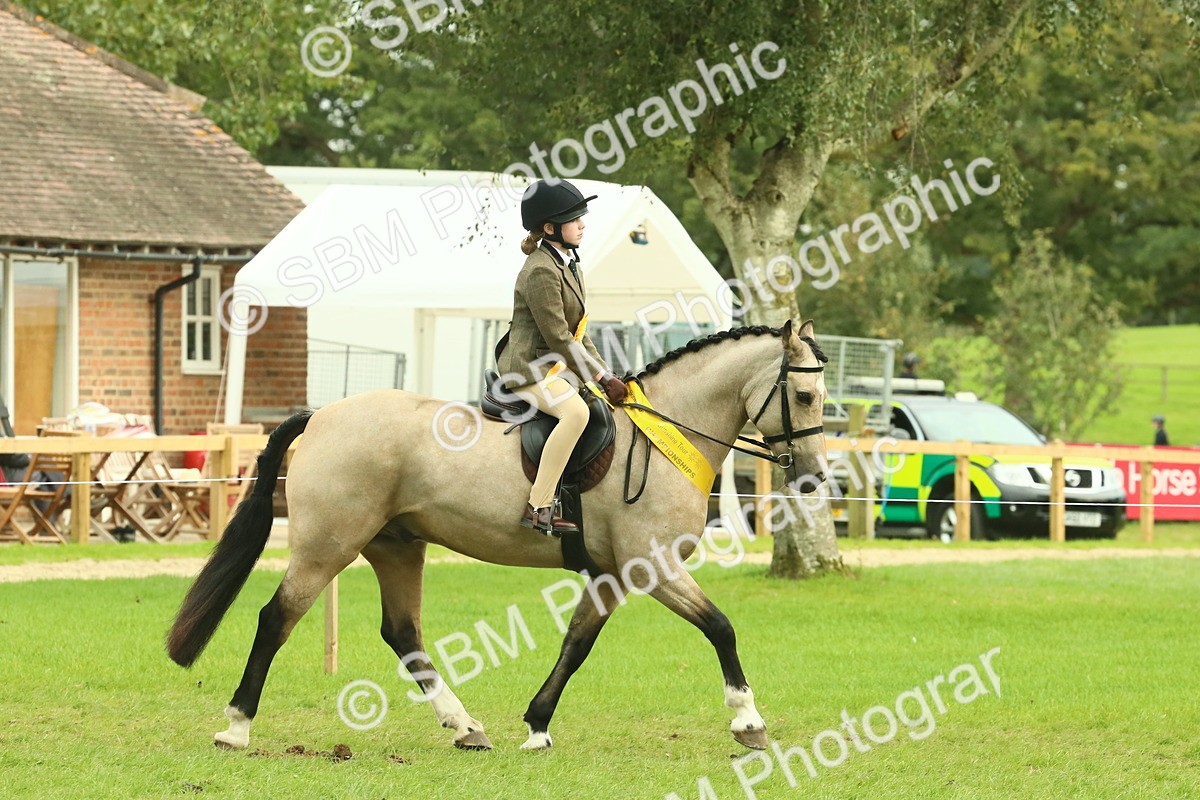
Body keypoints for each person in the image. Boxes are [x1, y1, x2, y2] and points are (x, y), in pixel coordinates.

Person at [495, 178, 629, 535]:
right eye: (574, 219)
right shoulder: (540, 270)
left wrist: (607, 374)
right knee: (576, 413)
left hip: (555, 365)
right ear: (551, 228)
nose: (582, 225)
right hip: (528, 369)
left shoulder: (570, 265)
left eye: (581, 218)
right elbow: (558, 337)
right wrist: (600, 378)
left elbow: (578, 334)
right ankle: (538, 506)